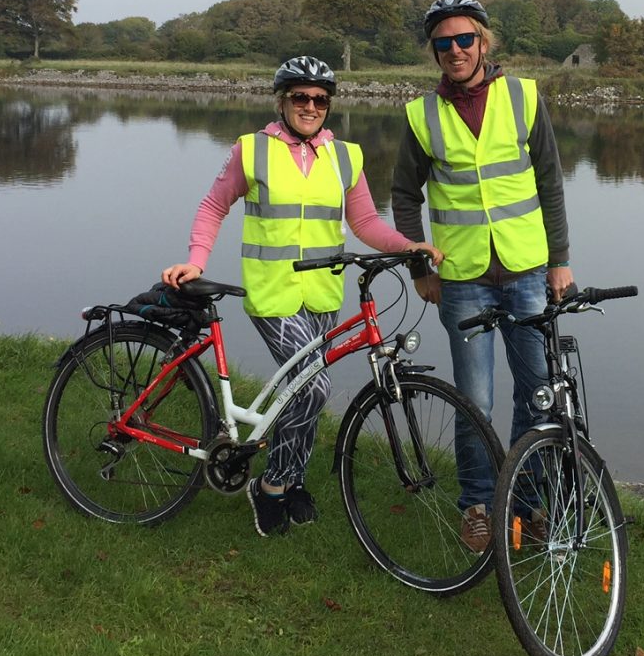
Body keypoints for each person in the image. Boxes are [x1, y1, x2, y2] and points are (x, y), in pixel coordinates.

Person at [163, 56, 441, 538]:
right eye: (300, 97)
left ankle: (291, 482)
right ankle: (270, 486)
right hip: (273, 292)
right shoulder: (252, 151)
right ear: (282, 100)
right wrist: (196, 259)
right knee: (313, 388)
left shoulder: (346, 156)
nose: (310, 106)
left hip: (323, 293)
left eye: (319, 99)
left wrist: (408, 245)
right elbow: (213, 206)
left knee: (305, 396)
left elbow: (365, 224)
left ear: (328, 105)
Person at [391, 0, 574, 553]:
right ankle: (475, 505)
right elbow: (403, 194)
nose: (454, 51)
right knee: (475, 400)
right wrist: (419, 264)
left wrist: (560, 259)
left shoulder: (521, 96)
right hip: (463, 277)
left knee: (537, 392)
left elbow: (550, 181)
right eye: (442, 44)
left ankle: (525, 503)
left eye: (463, 40)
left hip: (526, 269)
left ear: (484, 43)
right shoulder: (422, 114)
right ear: (434, 52)